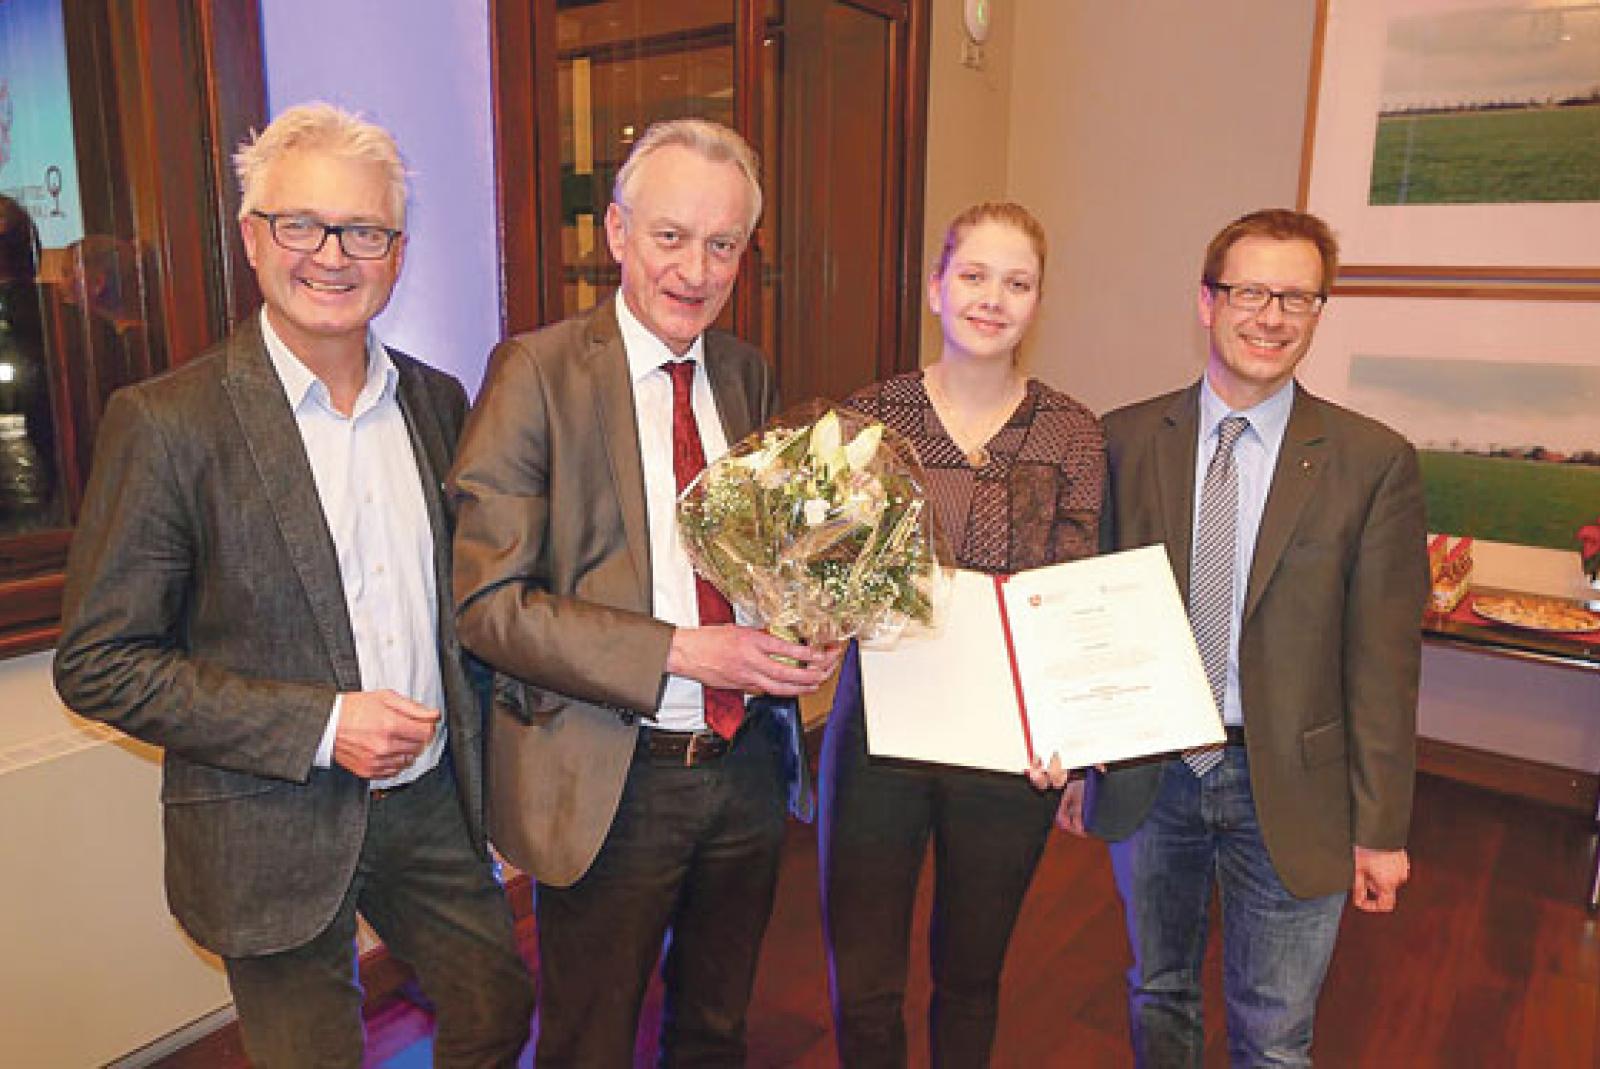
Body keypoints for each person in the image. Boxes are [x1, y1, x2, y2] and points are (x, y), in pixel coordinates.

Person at [52, 103, 533, 1068]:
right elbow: (99, 662)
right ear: (251, 237)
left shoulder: (438, 401)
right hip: (264, 819)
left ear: (396, 254)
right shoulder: (167, 422)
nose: (331, 256)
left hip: (427, 803)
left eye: (363, 231)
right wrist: (322, 724)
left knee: (496, 1004)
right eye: (301, 224)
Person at [450, 118, 841, 1066]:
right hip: (612, 777)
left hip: (747, 765)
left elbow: (760, 556)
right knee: (588, 1042)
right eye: (671, 236)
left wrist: (809, 620)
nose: (695, 271)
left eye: (723, 245)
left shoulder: (744, 373)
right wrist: (681, 651)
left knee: (715, 1030)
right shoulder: (535, 372)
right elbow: (489, 605)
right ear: (618, 233)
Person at [1058, 208, 1428, 1067]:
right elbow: (1089, 615)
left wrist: (1380, 828)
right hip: (1155, 774)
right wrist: (1080, 760)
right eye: (1251, 292)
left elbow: (1384, 664)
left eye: (1297, 297)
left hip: (1295, 787)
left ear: (1318, 312)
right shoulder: (1122, 440)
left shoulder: (1373, 462)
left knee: (1275, 1033)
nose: (1272, 316)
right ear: (1207, 302)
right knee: (1159, 994)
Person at [819, 201, 1105, 1065]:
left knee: (971, 977)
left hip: (1006, 751)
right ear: (935, 287)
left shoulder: (1073, 432)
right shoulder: (870, 417)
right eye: (973, 275)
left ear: (1038, 301)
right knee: (864, 983)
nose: (992, 298)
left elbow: (1074, 593)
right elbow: (829, 570)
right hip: (880, 737)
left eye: (1017, 283)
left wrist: (1070, 734)